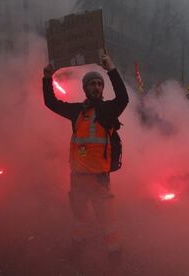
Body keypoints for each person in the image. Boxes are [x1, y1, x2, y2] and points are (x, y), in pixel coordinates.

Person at [42, 53, 129, 268]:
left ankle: (115, 263)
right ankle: (75, 253)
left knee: (109, 224)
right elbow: (50, 103)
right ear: (85, 88)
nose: (97, 87)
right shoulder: (76, 111)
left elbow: (123, 99)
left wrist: (111, 69)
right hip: (78, 180)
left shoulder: (108, 110)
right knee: (79, 219)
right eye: (92, 84)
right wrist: (47, 78)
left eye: (100, 84)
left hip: (100, 181)